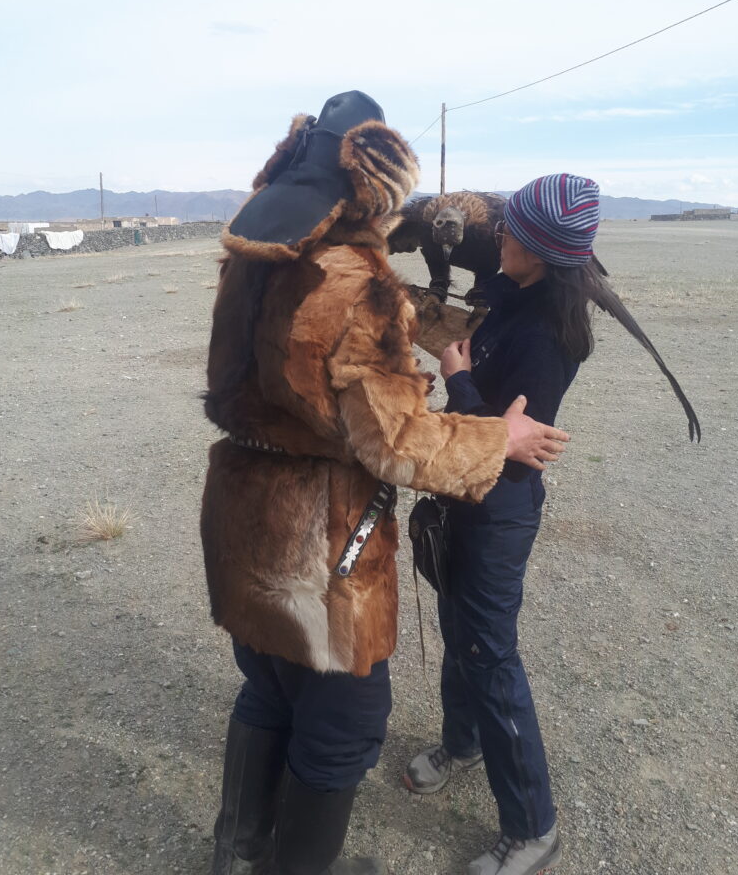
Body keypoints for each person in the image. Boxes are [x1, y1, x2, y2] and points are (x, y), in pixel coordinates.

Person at [199, 93, 571, 875]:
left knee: (268, 687)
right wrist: (498, 437)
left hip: (239, 514)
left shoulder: (252, 261)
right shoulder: (353, 287)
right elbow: (397, 444)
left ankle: (238, 853)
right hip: (316, 538)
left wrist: (415, 321)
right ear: (372, 190)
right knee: (344, 721)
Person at [403, 173, 601, 875]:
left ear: (540, 252)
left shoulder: (549, 334)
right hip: (463, 489)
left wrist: (457, 375)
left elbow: (512, 444)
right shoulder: (507, 291)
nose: (498, 236)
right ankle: (463, 743)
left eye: (511, 230)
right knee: (458, 628)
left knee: (490, 655)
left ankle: (533, 829)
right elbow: (488, 418)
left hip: (500, 506)